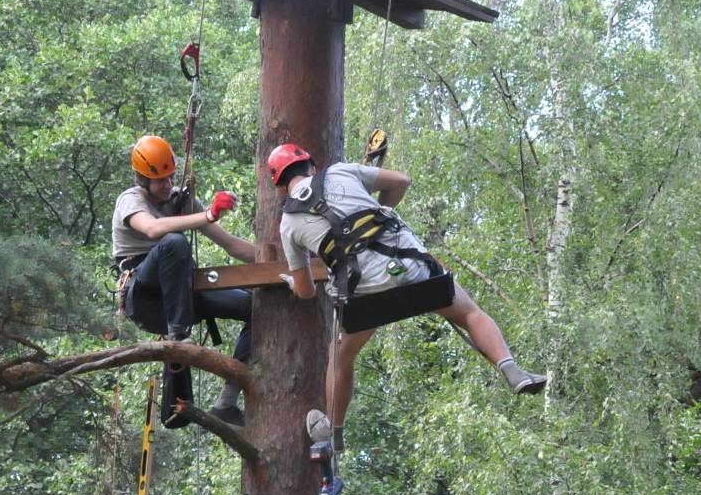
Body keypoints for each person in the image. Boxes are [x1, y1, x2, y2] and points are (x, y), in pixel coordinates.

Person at [267, 143, 546, 452]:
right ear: (312, 167)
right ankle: (511, 369)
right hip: (412, 269)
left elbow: (306, 291)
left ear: (280, 186)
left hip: (363, 296)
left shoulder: (288, 223)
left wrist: (293, 284)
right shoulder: (341, 171)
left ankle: (335, 432)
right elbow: (401, 181)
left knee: (340, 359)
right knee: (469, 314)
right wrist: (382, 211)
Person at [112, 135, 255, 426]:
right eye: (159, 180)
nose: (167, 184)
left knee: (256, 308)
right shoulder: (131, 200)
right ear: (142, 180)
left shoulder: (182, 201)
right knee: (174, 242)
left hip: (180, 294)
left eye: (170, 177)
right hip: (145, 295)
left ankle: (226, 402)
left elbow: (232, 246)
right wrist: (207, 214)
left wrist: (286, 263)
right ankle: (178, 334)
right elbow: (152, 229)